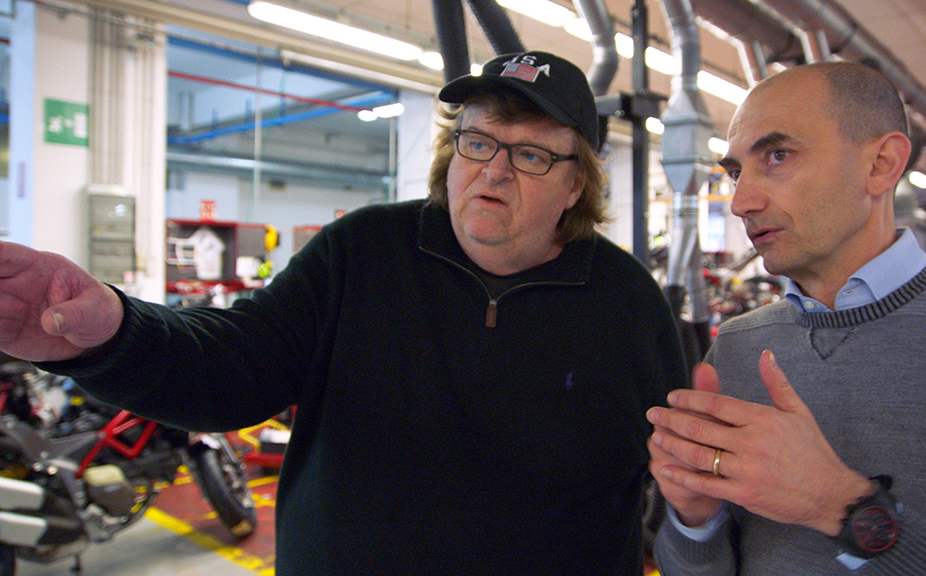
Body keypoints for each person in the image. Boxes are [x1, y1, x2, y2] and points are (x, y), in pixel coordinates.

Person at [0, 51, 687, 575]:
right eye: (478, 142)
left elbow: (673, 486)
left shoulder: (627, 304)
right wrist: (110, 333)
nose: (494, 171)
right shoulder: (361, 252)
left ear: (575, 182)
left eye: (530, 155)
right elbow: (232, 366)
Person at [646, 61, 926, 574]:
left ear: (881, 164)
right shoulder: (737, 346)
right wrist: (697, 519)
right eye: (736, 172)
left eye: (778, 156)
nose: (741, 202)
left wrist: (841, 506)